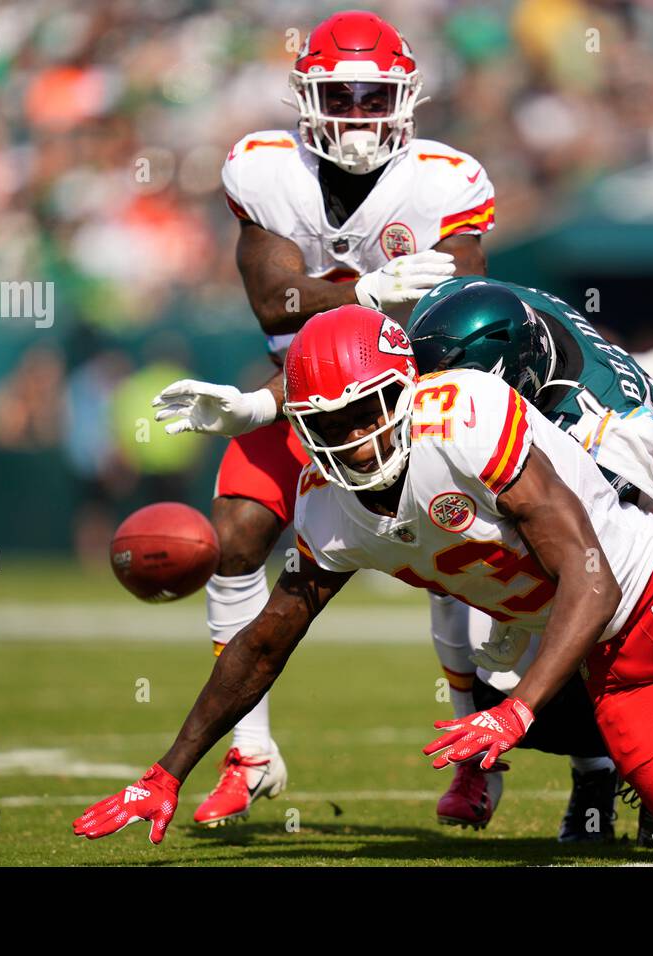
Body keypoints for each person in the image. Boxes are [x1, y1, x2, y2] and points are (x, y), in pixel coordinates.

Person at [75, 306, 653, 862]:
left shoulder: (467, 419)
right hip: (608, 665)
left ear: (406, 391)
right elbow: (263, 647)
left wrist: (518, 710)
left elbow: (592, 575)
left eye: (366, 411)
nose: (354, 438)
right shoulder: (329, 506)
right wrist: (166, 772)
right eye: (331, 423)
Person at [149, 10, 493, 826]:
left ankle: (476, 753)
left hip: (408, 400)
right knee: (234, 533)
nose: (360, 112)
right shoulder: (268, 172)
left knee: (451, 556)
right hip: (299, 382)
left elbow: (457, 314)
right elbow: (277, 299)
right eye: (342, 93)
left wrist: (374, 311)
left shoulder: (445, 182)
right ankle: (250, 754)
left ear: (405, 100)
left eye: (376, 96)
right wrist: (369, 293)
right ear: (309, 97)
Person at [407, 276, 653, 842]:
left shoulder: (598, 425)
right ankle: (582, 772)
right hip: (600, 468)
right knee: (457, 567)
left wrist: (507, 616)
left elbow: (606, 547)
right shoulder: (476, 309)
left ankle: (645, 772)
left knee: (585, 640)